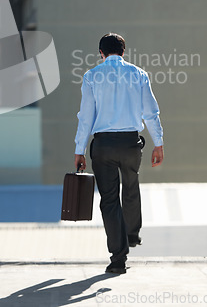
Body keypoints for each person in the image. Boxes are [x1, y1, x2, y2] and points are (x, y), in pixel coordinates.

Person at [74, 33, 163, 274]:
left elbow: (86, 116)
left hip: (102, 145)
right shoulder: (139, 74)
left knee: (109, 200)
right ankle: (132, 235)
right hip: (130, 143)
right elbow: (150, 113)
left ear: (101, 53)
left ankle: (118, 258)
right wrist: (158, 143)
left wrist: (79, 149)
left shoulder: (91, 76)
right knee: (131, 187)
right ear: (123, 52)